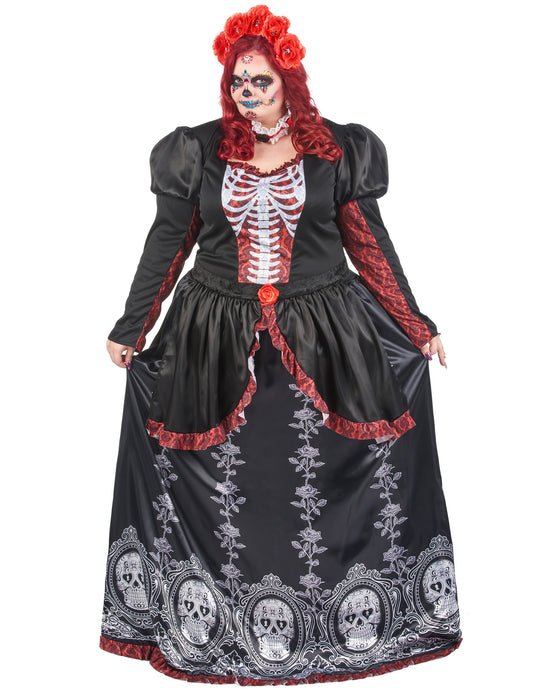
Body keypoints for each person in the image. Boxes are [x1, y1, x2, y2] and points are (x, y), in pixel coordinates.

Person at [100, 5, 462, 684]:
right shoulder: (197, 152)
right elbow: (168, 242)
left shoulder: (335, 150)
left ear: (289, 81)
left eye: (261, 80)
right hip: (213, 339)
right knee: (227, 486)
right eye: (238, 82)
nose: (249, 93)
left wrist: (416, 325)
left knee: (324, 482)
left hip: (326, 335)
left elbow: (368, 244)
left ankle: (339, 623)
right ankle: (216, 627)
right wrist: (132, 326)